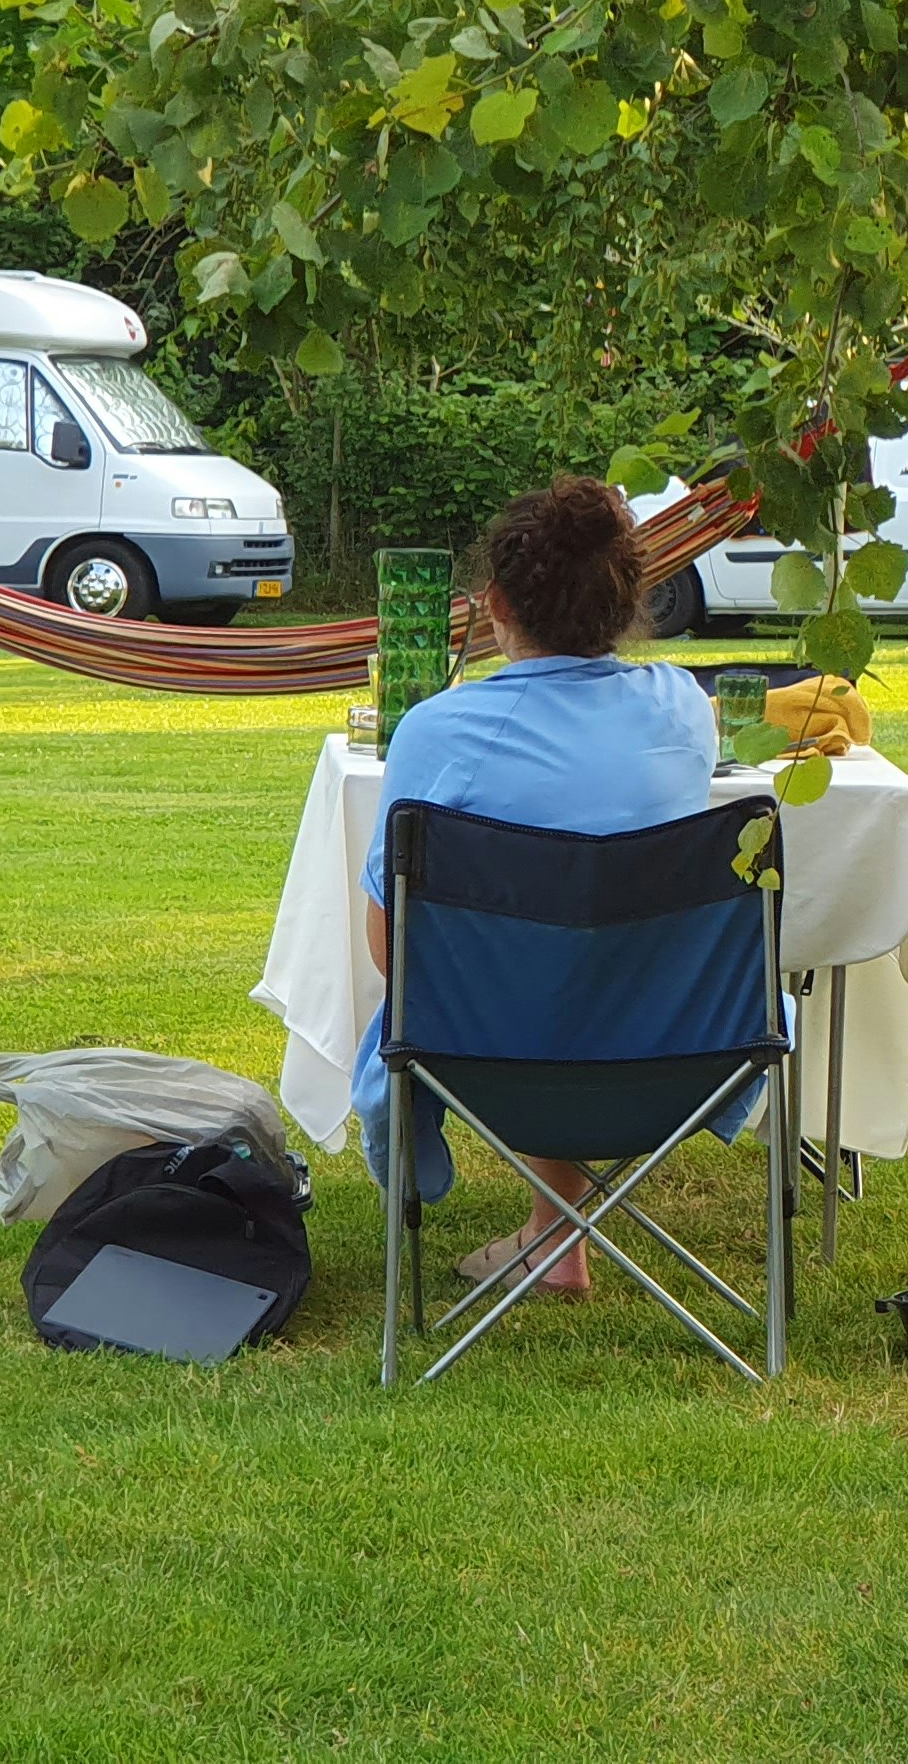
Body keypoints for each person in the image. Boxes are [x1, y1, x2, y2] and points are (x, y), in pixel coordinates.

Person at [351, 475, 717, 1297]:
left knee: (537, 974)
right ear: (629, 605)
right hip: (674, 1040)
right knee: (581, 959)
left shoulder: (437, 729)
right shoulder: (684, 707)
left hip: (486, 1049)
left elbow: (389, 950)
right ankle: (556, 1239)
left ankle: (555, 1238)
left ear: (495, 606)